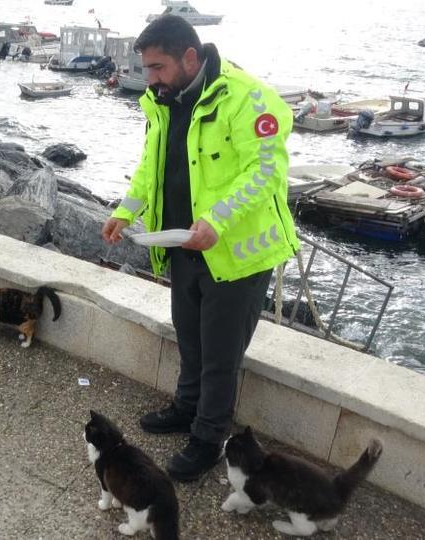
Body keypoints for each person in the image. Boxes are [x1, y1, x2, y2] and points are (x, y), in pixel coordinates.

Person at [101, 15, 300, 482]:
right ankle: (186, 408)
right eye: (147, 69)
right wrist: (126, 210)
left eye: (158, 67)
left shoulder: (249, 98)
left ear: (189, 57)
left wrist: (218, 219)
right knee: (189, 338)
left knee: (220, 356)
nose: (150, 78)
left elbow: (265, 172)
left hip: (235, 254)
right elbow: (151, 165)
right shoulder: (163, 100)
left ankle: (209, 439)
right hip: (182, 245)